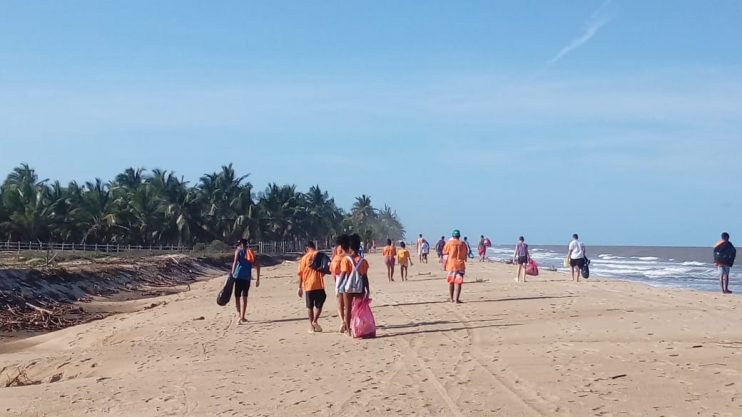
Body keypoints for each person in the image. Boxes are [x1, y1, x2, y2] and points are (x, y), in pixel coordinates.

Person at [339, 234, 370, 336]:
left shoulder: (345, 260)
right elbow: (365, 277)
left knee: (347, 309)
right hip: (359, 287)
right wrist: (367, 289)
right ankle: (359, 328)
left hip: (347, 288)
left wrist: (339, 286)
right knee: (358, 309)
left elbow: (343, 274)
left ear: (349, 247)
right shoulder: (363, 261)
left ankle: (348, 330)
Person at [297, 241, 326, 333]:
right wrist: (320, 275)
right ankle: (315, 321)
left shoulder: (304, 258)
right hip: (319, 284)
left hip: (308, 285)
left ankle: (311, 326)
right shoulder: (320, 255)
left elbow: (300, 274)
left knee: (309, 306)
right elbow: (326, 268)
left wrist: (299, 287)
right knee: (319, 304)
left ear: (306, 249)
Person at [230, 238, 260, 324]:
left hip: (238, 276)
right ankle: (243, 316)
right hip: (247, 277)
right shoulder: (250, 252)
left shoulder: (238, 251)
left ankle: (239, 315)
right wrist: (258, 279)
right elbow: (257, 265)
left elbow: (235, 262)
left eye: (239, 244)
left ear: (241, 244)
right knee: (245, 297)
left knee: (237, 296)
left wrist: (232, 273)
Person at [331, 234, 350, 332]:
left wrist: (336, 284)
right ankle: (348, 323)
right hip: (350, 280)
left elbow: (334, 271)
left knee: (340, 303)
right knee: (348, 304)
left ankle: (342, 321)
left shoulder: (336, 257)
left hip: (339, 278)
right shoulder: (351, 255)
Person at [443, 229, 468, 303]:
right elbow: (465, 255)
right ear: (459, 236)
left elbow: (445, 252)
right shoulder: (463, 243)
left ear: (453, 236)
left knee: (451, 282)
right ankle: (456, 299)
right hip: (460, 264)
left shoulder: (449, 243)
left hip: (451, 264)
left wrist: (444, 264)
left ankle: (451, 298)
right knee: (458, 282)